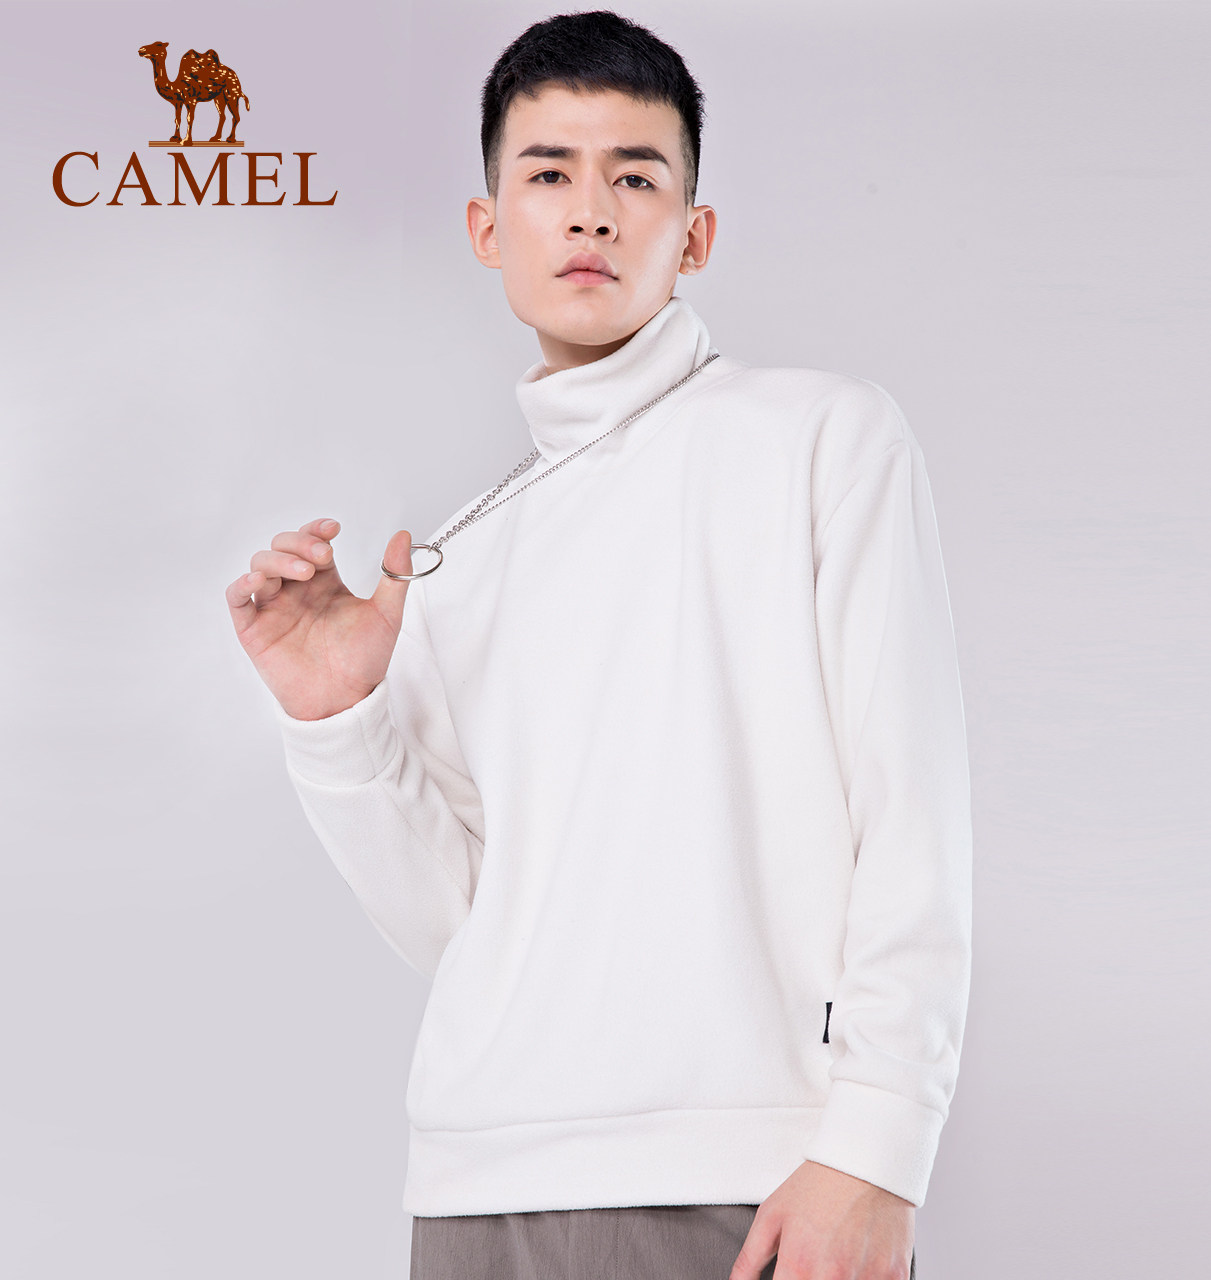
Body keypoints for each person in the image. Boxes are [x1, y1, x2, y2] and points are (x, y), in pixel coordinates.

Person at [225, 11, 970, 1279]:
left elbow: (911, 813)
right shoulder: (456, 555)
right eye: (547, 174)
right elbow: (458, 924)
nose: (589, 213)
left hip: (749, 1179)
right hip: (476, 1186)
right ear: (486, 228)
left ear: (693, 234)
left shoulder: (820, 439)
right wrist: (337, 719)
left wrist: (877, 1148)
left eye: (634, 177)